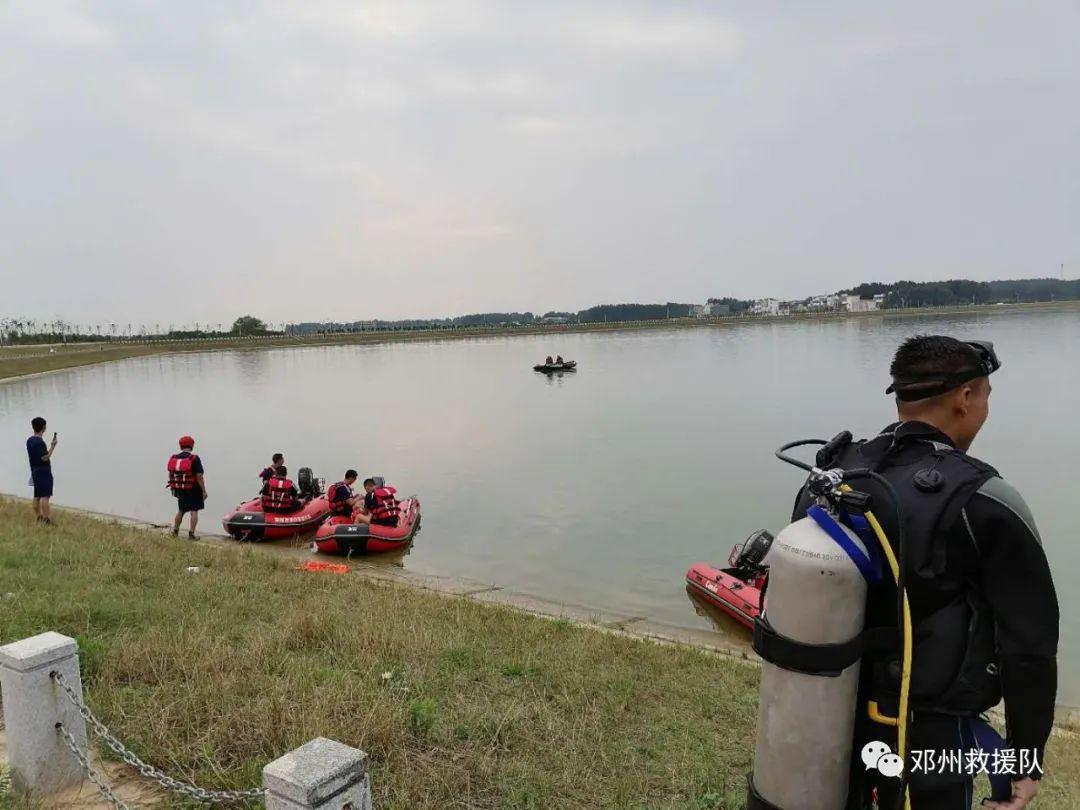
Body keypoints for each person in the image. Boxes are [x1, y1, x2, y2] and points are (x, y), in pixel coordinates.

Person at [792, 336, 1057, 810]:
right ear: (966, 397)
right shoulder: (986, 497)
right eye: (987, 397)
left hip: (834, 719)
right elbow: (1029, 646)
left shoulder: (834, 477)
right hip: (933, 745)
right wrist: (1024, 762)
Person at [167, 436, 206, 539]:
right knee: (194, 511)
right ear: (192, 445)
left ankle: (175, 531)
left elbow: (171, 474)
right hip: (193, 489)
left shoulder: (175, 458)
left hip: (181, 489)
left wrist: (174, 488)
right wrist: (204, 491)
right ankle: (191, 534)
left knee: (181, 510)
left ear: (181, 445)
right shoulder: (194, 458)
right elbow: (199, 476)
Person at [27, 416, 58, 525]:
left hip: (34, 470)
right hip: (43, 471)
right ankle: (46, 519)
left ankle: (39, 517)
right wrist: (52, 447)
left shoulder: (29, 440)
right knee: (45, 496)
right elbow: (44, 458)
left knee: (37, 495)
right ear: (43, 427)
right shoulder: (40, 443)